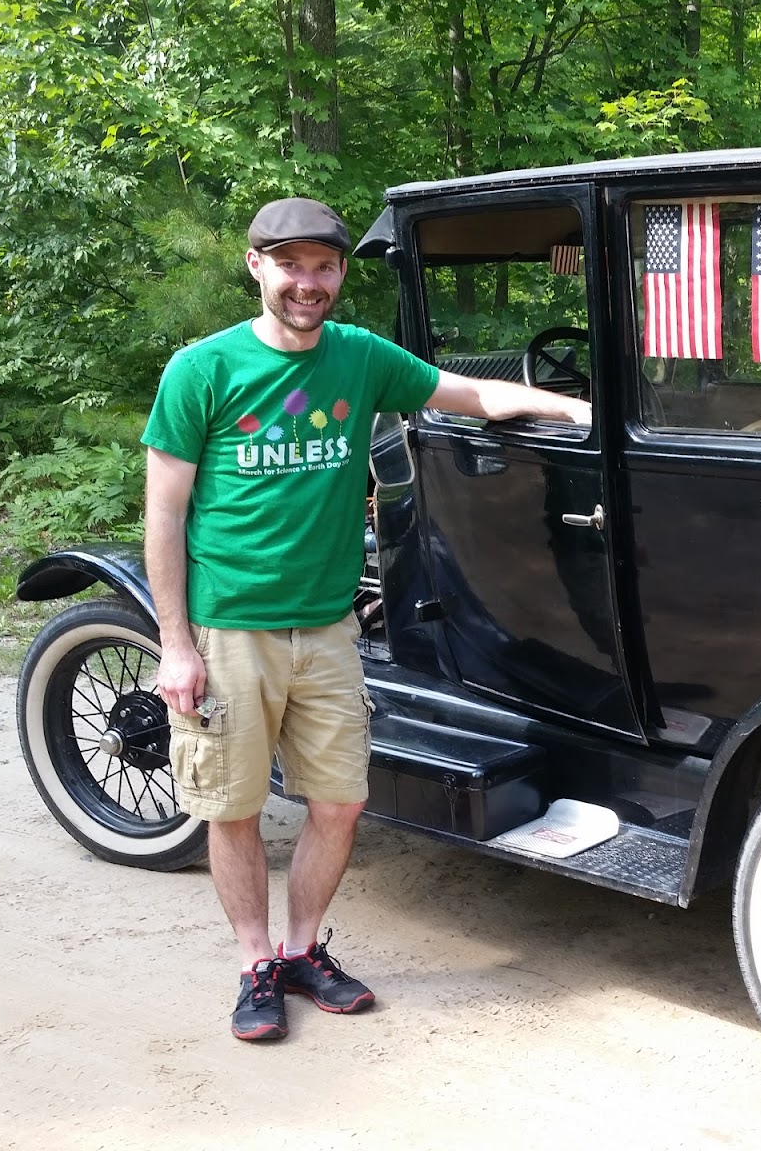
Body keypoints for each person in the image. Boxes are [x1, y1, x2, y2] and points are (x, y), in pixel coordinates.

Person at [142, 197, 589, 1041]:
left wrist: (569, 410)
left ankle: (305, 950)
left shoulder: (359, 358)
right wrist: (174, 644)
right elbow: (163, 514)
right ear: (257, 267)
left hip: (328, 629)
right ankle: (255, 965)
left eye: (323, 266)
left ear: (342, 273)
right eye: (291, 265)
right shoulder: (203, 371)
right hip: (231, 627)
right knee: (233, 810)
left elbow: (471, 396)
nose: (307, 283)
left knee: (340, 804)